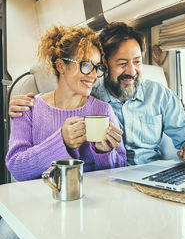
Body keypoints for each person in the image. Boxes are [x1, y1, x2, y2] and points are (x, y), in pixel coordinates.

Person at [9, 22, 185, 166]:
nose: (132, 71)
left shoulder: (158, 95)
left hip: (150, 178)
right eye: (122, 63)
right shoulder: (89, 99)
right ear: (106, 65)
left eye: (137, 61)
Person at [6, 25, 126, 182]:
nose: (94, 75)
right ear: (61, 66)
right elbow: (17, 168)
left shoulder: (103, 110)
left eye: (97, 67)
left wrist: (104, 153)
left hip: (94, 200)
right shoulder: (28, 108)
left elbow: (120, 170)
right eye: (86, 65)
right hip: (42, 200)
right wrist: (61, 142)